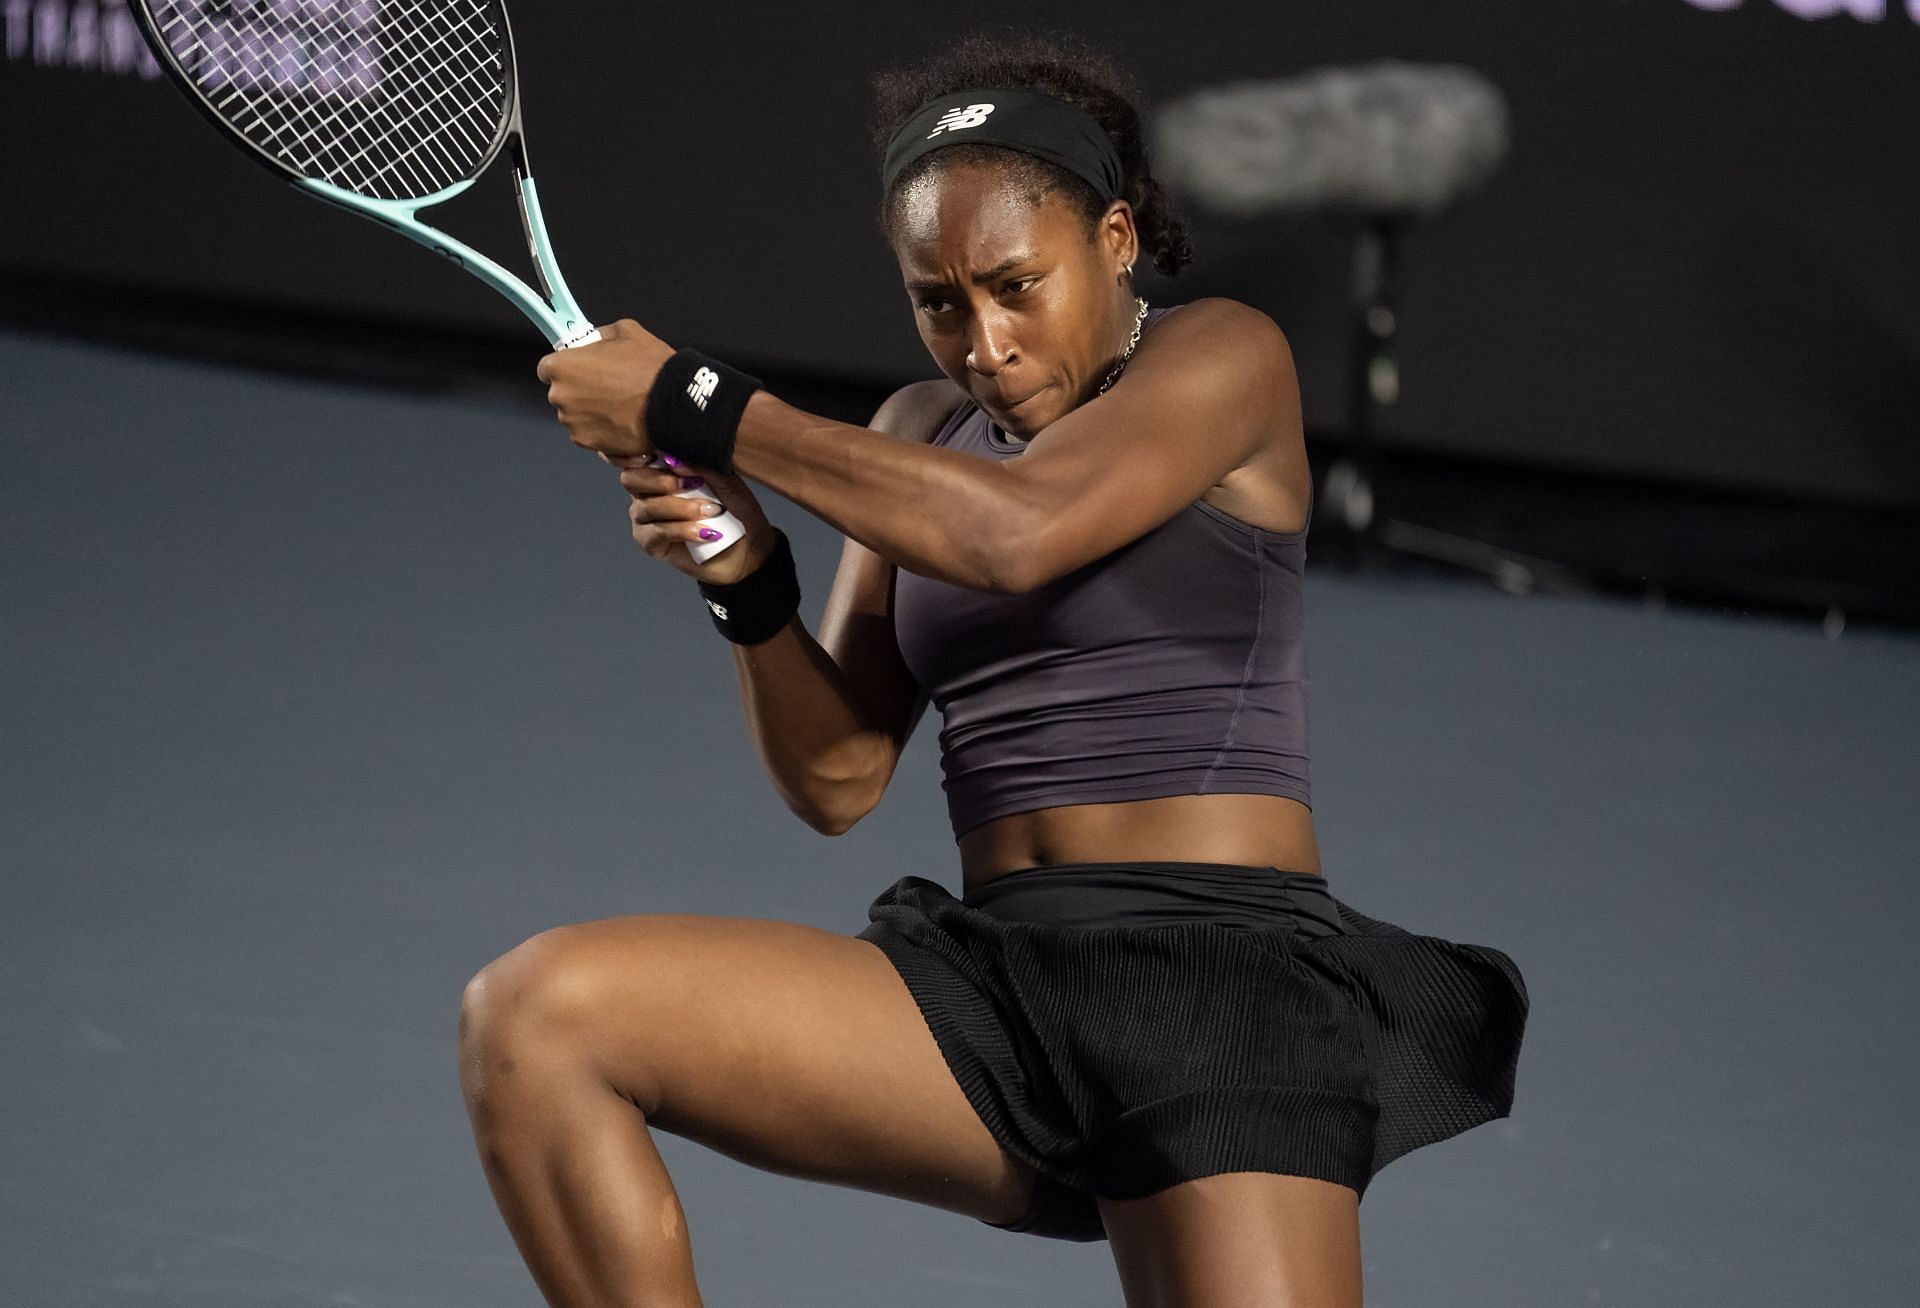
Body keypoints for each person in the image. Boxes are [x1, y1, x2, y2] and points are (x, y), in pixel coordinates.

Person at [463, 31, 1528, 1308]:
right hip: (999, 997)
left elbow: (1013, 535)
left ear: (1118, 240)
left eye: (1017, 284)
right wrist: (746, 580)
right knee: (540, 1020)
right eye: (940, 301)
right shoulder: (921, 430)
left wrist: (697, 398)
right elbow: (841, 774)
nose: (985, 341)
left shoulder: (1224, 357)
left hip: (1219, 989)